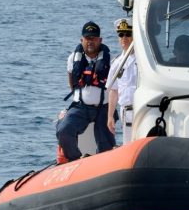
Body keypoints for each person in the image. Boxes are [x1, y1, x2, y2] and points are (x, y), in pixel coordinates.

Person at [56, 21, 114, 162]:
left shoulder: (111, 60)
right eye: (87, 38)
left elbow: (115, 88)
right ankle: (76, 159)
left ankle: (103, 164)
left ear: (100, 40)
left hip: (103, 108)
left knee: (106, 146)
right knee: (63, 130)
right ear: (81, 40)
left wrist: (111, 114)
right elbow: (72, 81)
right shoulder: (73, 58)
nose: (90, 41)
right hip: (80, 107)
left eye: (94, 38)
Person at [107, 18, 137, 144]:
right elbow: (113, 90)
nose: (124, 38)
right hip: (126, 111)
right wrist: (110, 116)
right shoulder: (116, 63)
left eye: (128, 34)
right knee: (128, 145)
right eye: (121, 35)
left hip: (142, 109)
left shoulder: (143, 60)